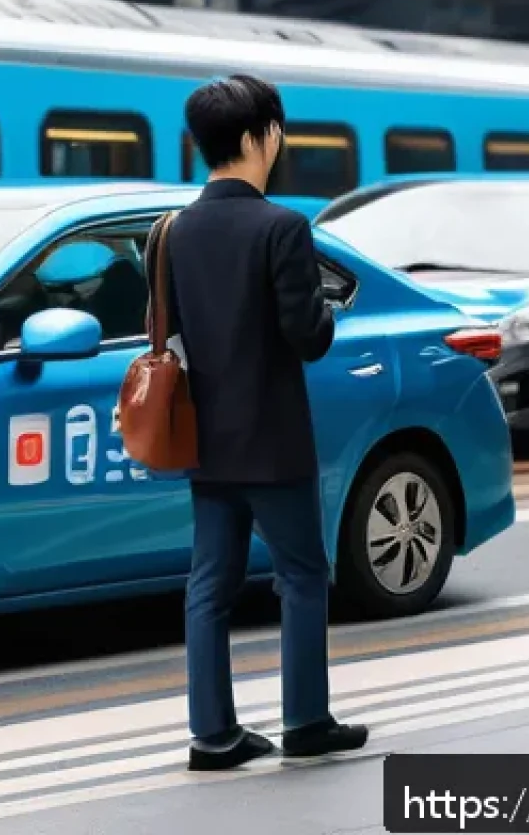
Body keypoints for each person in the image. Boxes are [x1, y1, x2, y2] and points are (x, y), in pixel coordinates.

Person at [146, 75, 368, 771]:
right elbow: (306, 335)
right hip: (272, 441)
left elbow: (164, 328)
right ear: (255, 138)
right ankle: (305, 720)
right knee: (302, 574)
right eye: (275, 130)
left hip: (205, 440)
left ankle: (212, 734)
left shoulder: (174, 230)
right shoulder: (282, 227)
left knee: (209, 585)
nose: (278, 141)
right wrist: (331, 313)